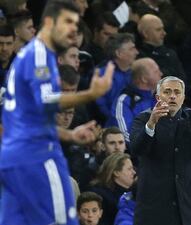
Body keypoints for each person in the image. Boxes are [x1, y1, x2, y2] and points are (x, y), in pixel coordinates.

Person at [0, 1, 115, 224]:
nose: (74, 30)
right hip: (37, 158)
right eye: (68, 23)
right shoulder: (39, 55)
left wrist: (70, 135)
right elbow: (46, 101)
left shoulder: (29, 57)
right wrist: (90, 94)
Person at [130, 76, 191, 225]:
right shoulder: (144, 118)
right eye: (167, 92)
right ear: (158, 97)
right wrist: (152, 123)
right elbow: (136, 149)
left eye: (177, 92)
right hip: (155, 206)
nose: (172, 96)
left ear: (183, 98)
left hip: (188, 205)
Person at [106, 58, 161, 141]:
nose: (161, 73)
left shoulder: (160, 97)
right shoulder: (124, 101)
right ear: (144, 79)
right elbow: (123, 134)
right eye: (156, 71)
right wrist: (147, 146)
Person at [89, 153, 135, 225]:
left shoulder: (134, 193)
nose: (134, 172)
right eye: (129, 169)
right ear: (116, 172)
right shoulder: (100, 196)